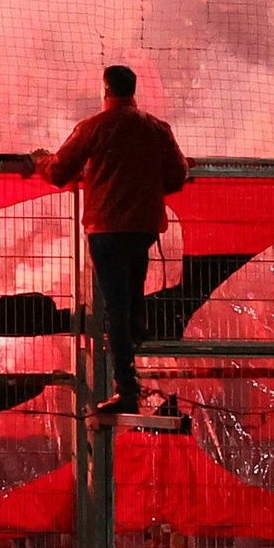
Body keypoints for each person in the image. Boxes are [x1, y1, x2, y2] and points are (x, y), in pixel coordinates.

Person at [40, 63, 190, 414]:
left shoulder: (94, 127)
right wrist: (148, 188)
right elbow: (178, 175)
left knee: (115, 308)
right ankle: (136, 344)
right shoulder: (156, 128)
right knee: (132, 298)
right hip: (144, 227)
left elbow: (59, 170)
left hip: (106, 228)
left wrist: (39, 160)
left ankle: (127, 388)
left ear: (105, 90)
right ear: (133, 90)